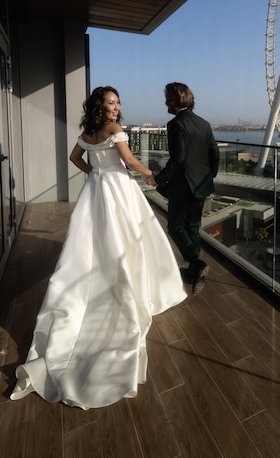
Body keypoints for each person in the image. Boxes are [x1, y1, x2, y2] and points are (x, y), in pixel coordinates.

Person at [10, 86, 187, 410]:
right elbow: (130, 160)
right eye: (110, 103)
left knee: (92, 242)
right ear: (99, 106)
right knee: (128, 239)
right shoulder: (115, 130)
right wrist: (156, 177)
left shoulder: (88, 131)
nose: (116, 107)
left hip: (96, 189)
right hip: (118, 189)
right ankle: (131, 284)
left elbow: (74, 157)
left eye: (118, 102)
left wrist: (94, 173)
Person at [146, 82, 219, 295]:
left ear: (177, 99)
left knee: (176, 227)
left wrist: (158, 180)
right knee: (193, 226)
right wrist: (209, 175)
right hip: (201, 184)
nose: (165, 101)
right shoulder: (204, 123)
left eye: (168, 97)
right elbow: (214, 152)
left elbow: (178, 159)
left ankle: (195, 263)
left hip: (184, 186)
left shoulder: (176, 124)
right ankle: (193, 271)